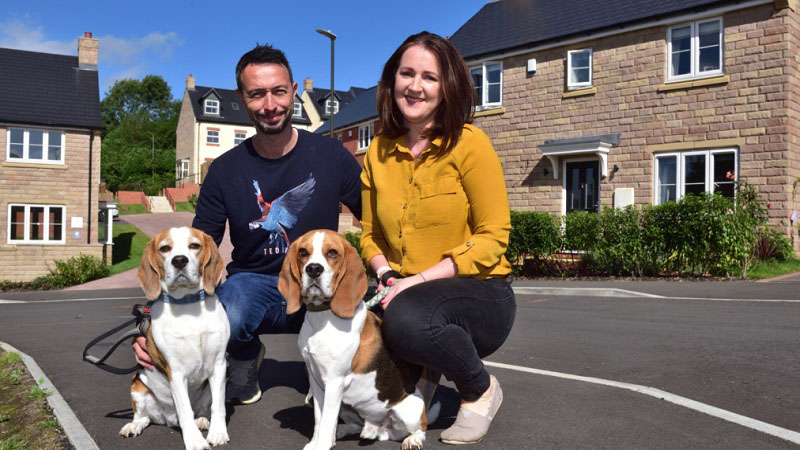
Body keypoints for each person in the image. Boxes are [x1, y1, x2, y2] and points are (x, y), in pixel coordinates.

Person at [133, 44, 362, 405]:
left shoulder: (332, 156)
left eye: (279, 91)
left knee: (373, 308)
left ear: (294, 92)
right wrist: (148, 321)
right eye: (257, 94)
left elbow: (377, 221)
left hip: (319, 276)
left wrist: (396, 275)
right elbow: (194, 249)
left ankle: (326, 364)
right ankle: (244, 355)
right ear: (242, 98)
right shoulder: (224, 170)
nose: (270, 105)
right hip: (255, 283)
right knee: (231, 313)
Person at [360, 31, 516, 445]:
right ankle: (424, 372)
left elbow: (493, 237)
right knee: (355, 351)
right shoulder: (378, 150)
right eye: (407, 73)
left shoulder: (470, 144)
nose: (415, 86)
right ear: (392, 81)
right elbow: (369, 234)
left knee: (408, 319)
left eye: (429, 77)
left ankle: (478, 390)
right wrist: (387, 273)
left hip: (480, 292)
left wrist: (416, 281)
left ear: (448, 88)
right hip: (405, 291)